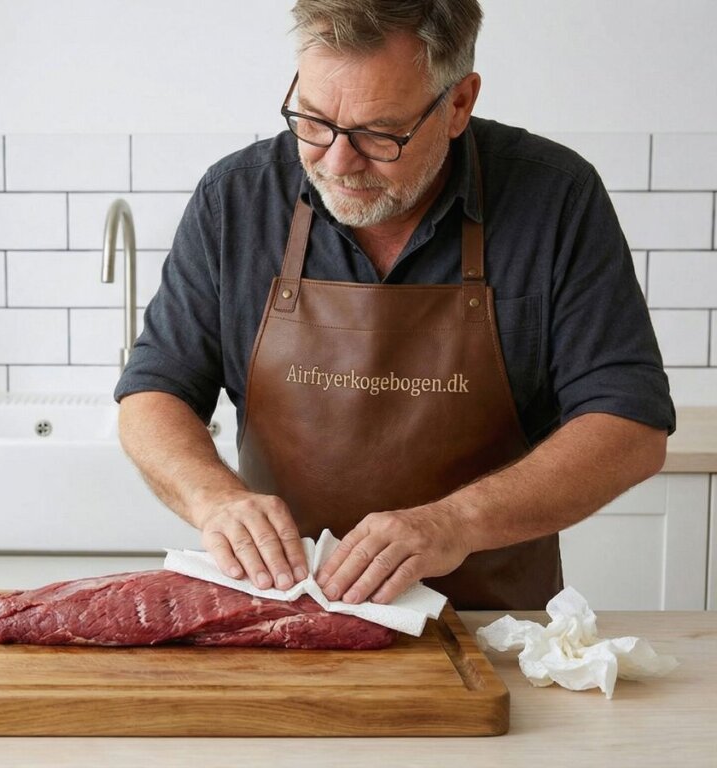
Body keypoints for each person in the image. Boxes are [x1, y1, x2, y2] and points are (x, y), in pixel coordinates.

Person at [114, 0, 675, 610]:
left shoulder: (556, 198)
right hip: (283, 618)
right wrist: (214, 498)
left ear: (459, 103)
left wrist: (455, 522)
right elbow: (154, 392)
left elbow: (629, 425)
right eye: (313, 120)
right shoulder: (237, 199)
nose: (335, 162)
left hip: (493, 626)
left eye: (379, 134)